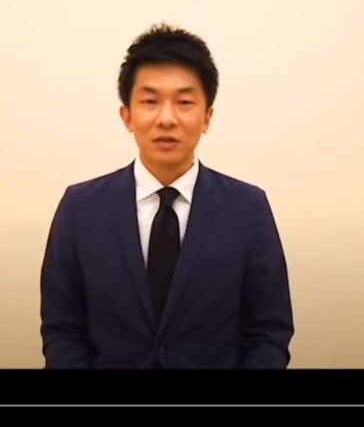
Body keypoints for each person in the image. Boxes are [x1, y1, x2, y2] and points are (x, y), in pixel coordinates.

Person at [40, 23, 294, 368]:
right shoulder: (80, 208)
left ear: (207, 117)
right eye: (150, 101)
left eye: (185, 102)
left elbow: (269, 333)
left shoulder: (249, 209)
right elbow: (63, 332)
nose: (167, 118)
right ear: (127, 115)